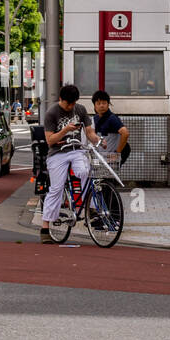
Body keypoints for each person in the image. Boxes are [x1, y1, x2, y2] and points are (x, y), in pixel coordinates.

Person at [40, 84, 100, 244]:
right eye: (69, 104)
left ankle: (90, 208)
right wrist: (65, 130)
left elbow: (89, 131)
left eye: (74, 103)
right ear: (61, 99)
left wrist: (98, 140)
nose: (71, 106)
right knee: (56, 188)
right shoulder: (51, 113)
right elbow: (50, 140)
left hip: (76, 150)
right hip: (57, 153)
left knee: (84, 171)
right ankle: (45, 226)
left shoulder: (80, 109)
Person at [91, 90, 129, 165]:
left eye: (104, 103)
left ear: (108, 104)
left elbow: (125, 133)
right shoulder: (95, 118)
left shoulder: (112, 118)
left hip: (110, 160)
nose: (101, 105)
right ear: (94, 105)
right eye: (98, 103)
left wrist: (117, 153)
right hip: (102, 158)